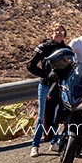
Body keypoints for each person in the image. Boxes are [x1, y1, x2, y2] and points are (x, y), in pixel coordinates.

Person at [26, 23, 69, 156]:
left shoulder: (67, 49)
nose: (59, 33)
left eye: (61, 31)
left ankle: (54, 142)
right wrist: (46, 75)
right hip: (45, 85)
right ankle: (35, 145)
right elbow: (30, 65)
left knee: (57, 115)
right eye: (56, 31)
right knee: (41, 116)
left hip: (60, 86)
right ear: (51, 33)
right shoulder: (44, 47)